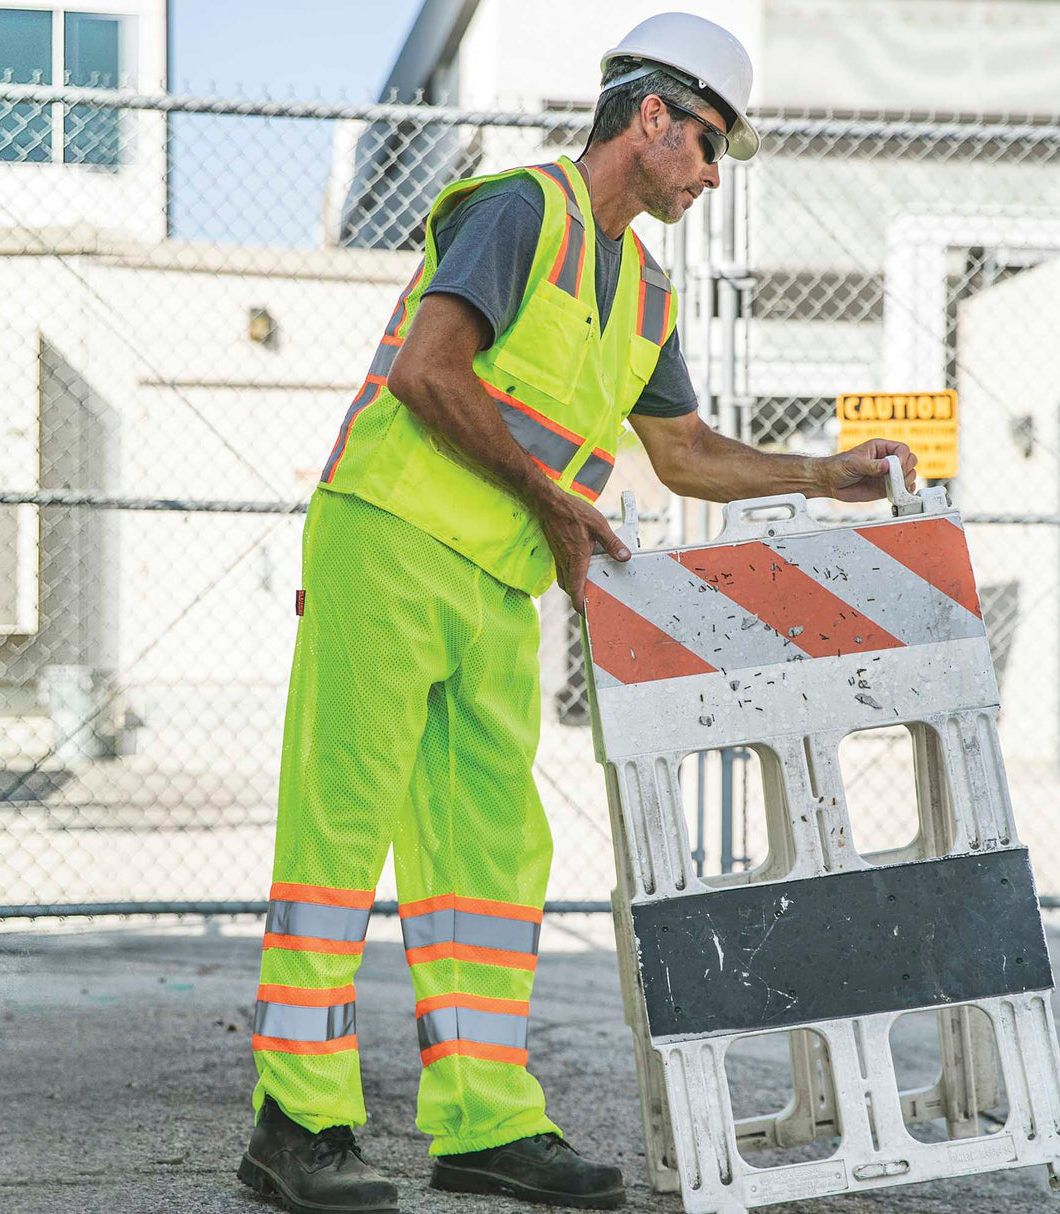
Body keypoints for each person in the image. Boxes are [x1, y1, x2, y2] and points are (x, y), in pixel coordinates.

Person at [237, 12, 918, 1213]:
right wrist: (555, 503)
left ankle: (485, 1125)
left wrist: (819, 474)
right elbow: (427, 372)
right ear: (647, 115)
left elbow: (686, 453)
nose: (711, 173)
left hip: (500, 576)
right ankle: (296, 1123)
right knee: (340, 832)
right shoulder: (520, 210)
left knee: (489, 860)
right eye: (706, 142)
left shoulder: (644, 289)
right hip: (389, 539)